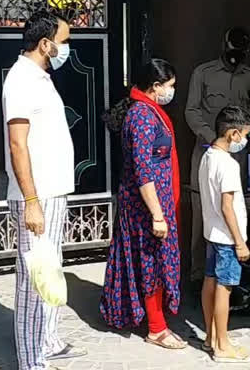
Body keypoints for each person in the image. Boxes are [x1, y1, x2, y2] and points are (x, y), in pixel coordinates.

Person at [3, 10, 86, 370]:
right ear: (45, 44)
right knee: (34, 280)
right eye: (64, 41)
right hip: (37, 196)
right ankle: (31, 361)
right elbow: (17, 145)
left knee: (50, 269)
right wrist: (32, 203)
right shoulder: (20, 80)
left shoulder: (40, 76)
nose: (66, 48)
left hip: (53, 192)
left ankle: (48, 341)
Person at [100, 59, 185, 350]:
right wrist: (157, 214)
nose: (173, 91)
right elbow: (143, 170)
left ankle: (155, 320)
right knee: (152, 264)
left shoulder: (152, 111)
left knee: (154, 262)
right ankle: (156, 328)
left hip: (156, 201)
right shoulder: (142, 117)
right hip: (146, 205)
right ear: (156, 86)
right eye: (170, 86)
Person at [186, 27, 250, 285]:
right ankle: (200, 274)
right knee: (203, 214)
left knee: (233, 209)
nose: (235, 55)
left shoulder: (247, 75)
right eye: (233, 48)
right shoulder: (204, 73)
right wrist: (211, 136)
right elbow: (192, 111)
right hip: (208, 152)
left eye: (241, 51)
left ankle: (233, 267)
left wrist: (245, 121)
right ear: (224, 44)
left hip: (236, 155)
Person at [199, 106, 250, 363]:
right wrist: (240, 242)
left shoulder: (207, 156)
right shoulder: (229, 165)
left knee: (210, 281)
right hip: (226, 237)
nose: (245, 141)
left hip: (211, 233)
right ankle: (222, 344)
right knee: (226, 287)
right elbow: (227, 206)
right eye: (244, 135)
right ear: (233, 134)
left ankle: (211, 336)